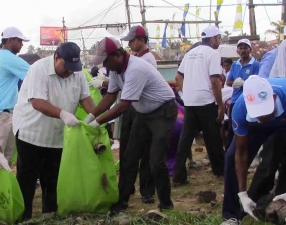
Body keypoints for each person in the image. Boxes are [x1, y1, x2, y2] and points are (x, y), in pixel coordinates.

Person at [84, 37, 177, 214]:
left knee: (156, 160)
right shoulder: (115, 70)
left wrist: (98, 123)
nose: (105, 65)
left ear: (117, 55)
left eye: (106, 60)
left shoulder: (136, 69)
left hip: (163, 112)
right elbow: (110, 97)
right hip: (143, 112)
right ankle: (121, 203)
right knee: (129, 157)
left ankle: (166, 203)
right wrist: (90, 117)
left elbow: (123, 105)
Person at [12, 42, 94, 221]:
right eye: (66, 67)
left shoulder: (77, 72)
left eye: (73, 68)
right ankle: (23, 218)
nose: (69, 72)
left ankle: (49, 216)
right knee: (27, 179)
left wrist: (93, 117)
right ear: (56, 57)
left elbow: (85, 98)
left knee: (53, 178)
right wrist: (63, 113)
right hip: (31, 132)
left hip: (57, 136)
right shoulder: (38, 69)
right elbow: (37, 102)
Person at [221, 75, 286, 224]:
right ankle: (231, 215)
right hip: (255, 129)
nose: (261, 117)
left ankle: (281, 199)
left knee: (274, 159)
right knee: (231, 158)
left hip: (282, 120)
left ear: (274, 97)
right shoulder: (240, 108)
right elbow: (241, 151)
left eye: (264, 112)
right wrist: (242, 193)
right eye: (257, 113)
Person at [172, 25, 224, 186]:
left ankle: (179, 175)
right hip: (206, 101)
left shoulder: (190, 54)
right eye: (219, 39)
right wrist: (220, 105)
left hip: (190, 101)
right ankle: (220, 170)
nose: (219, 42)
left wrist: (186, 91)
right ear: (213, 39)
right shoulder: (213, 53)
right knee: (212, 137)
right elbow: (215, 81)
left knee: (185, 139)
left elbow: (178, 77)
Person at [117, 25, 157, 204]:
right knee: (126, 148)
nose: (131, 44)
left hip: (140, 106)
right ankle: (127, 185)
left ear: (142, 40)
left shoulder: (147, 60)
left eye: (133, 40)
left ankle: (146, 190)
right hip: (130, 105)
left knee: (143, 150)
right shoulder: (134, 58)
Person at [0, 26, 30, 166]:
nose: (22, 44)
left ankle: (1, 186)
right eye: (20, 41)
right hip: (1, 115)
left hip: (0, 113)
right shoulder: (10, 59)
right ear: (10, 40)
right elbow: (36, 73)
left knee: (6, 156)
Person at [224, 39, 259, 150]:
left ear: (250, 49)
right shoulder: (235, 65)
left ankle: (248, 152)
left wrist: (245, 83)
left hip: (250, 100)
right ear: (237, 51)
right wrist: (234, 83)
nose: (243, 50)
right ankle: (229, 153)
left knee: (250, 127)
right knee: (232, 128)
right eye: (240, 48)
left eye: (245, 48)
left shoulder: (256, 65)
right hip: (235, 101)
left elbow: (260, 82)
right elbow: (228, 81)